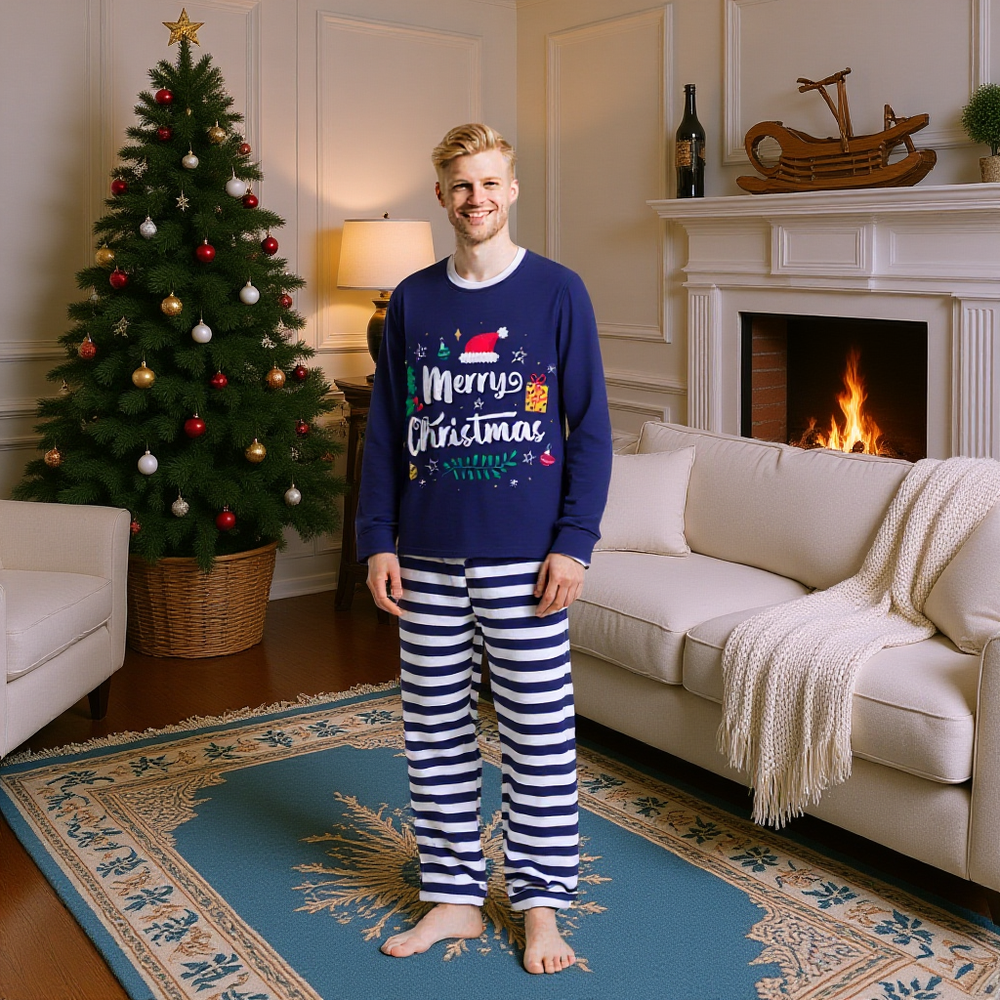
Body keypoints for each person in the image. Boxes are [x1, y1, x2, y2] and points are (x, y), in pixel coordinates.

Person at [355, 123, 612, 975]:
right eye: (463, 185)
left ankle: (542, 908)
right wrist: (376, 540)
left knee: (538, 736)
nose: (478, 200)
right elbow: (389, 431)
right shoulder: (414, 300)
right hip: (425, 556)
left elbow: (591, 433)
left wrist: (574, 544)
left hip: (528, 562)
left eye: (492, 184)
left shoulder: (557, 292)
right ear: (441, 195)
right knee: (433, 732)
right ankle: (456, 900)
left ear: (513, 190)